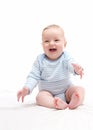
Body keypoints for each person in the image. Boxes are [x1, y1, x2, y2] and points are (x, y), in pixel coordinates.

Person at [17, 24, 85, 110]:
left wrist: (77, 69)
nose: (51, 43)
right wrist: (27, 88)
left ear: (65, 43)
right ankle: (55, 103)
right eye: (46, 41)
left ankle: (76, 100)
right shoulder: (40, 60)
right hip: (47, 92)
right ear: (42, 45)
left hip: (66, 90)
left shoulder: (66, 57)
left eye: (56, 40)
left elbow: (71, 64)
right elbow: (33, 76)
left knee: (80, 89)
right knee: (39, 97)